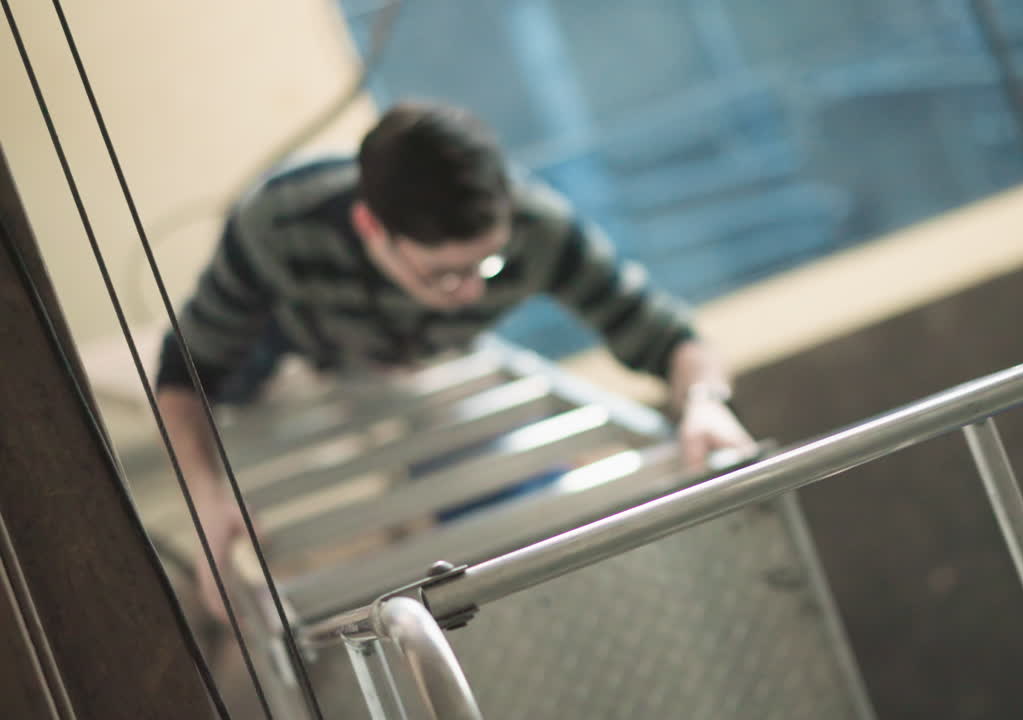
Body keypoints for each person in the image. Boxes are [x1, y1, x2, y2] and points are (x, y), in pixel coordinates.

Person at [154, 99, 755, 620]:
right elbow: (182, 377)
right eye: (443, 275)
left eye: (485, 266)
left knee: (502, 495)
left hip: (425, 364)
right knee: (234, 385)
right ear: (371, 227)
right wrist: (209, 500)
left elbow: (671, 336)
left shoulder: (537, 227)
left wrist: (706, 404)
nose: (471, 291)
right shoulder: (278, 223)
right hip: (292, 342)